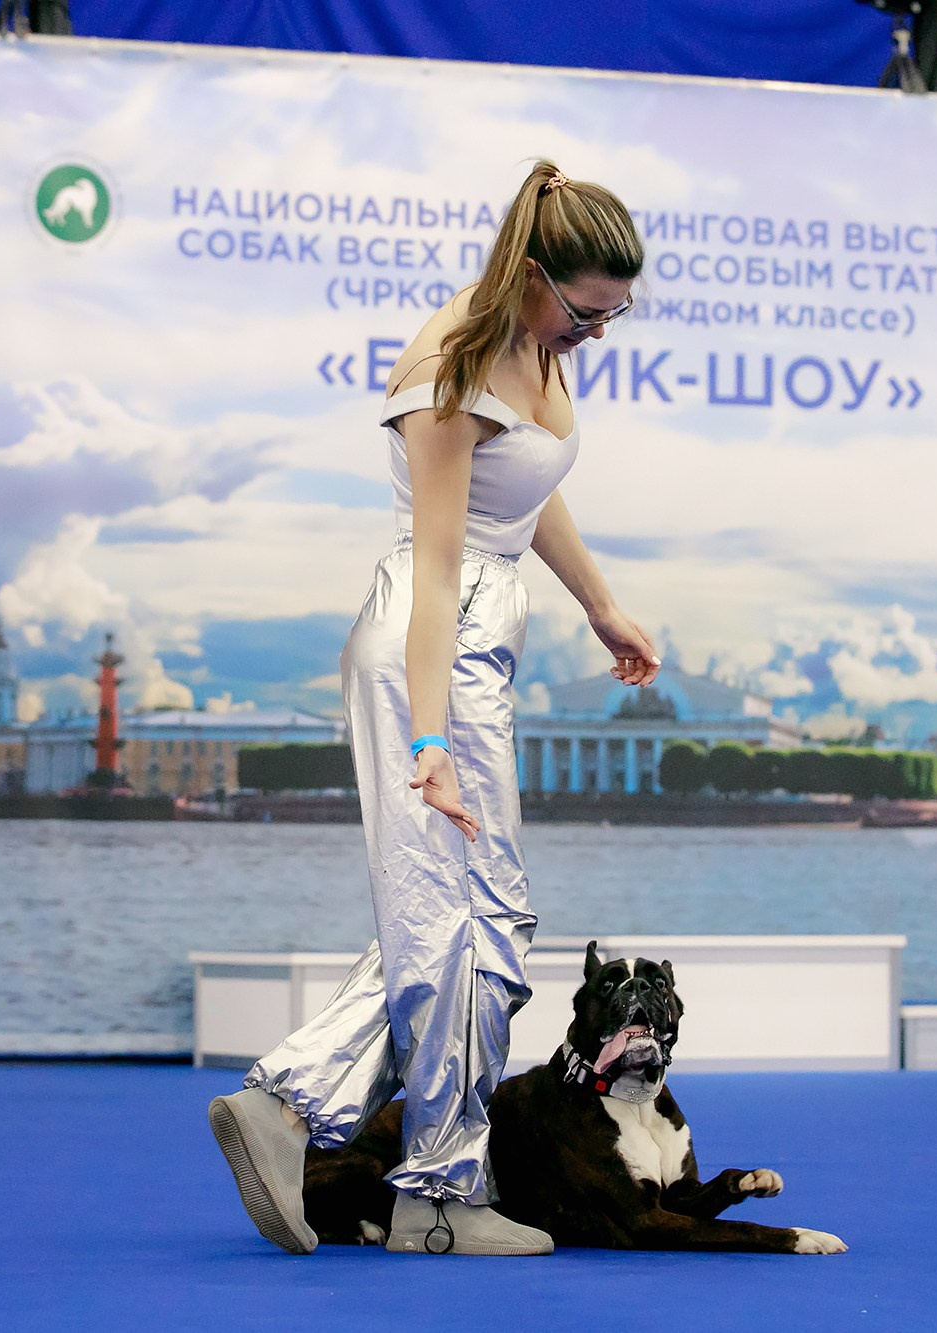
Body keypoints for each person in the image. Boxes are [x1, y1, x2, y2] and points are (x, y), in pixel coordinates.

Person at [208, 160, 659, 1257]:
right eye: (588, 311)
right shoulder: (450, 373)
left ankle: (322, 1119)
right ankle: (430, 1195)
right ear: (534, 274)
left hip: (480, 638)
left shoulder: (537, 344)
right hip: (430, 639)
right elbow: (439, 568)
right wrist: (425, 740)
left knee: (482, 926)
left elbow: (529, 495)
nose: (598, 333)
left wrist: (600, 607)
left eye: (616, 314)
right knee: (447, 926)